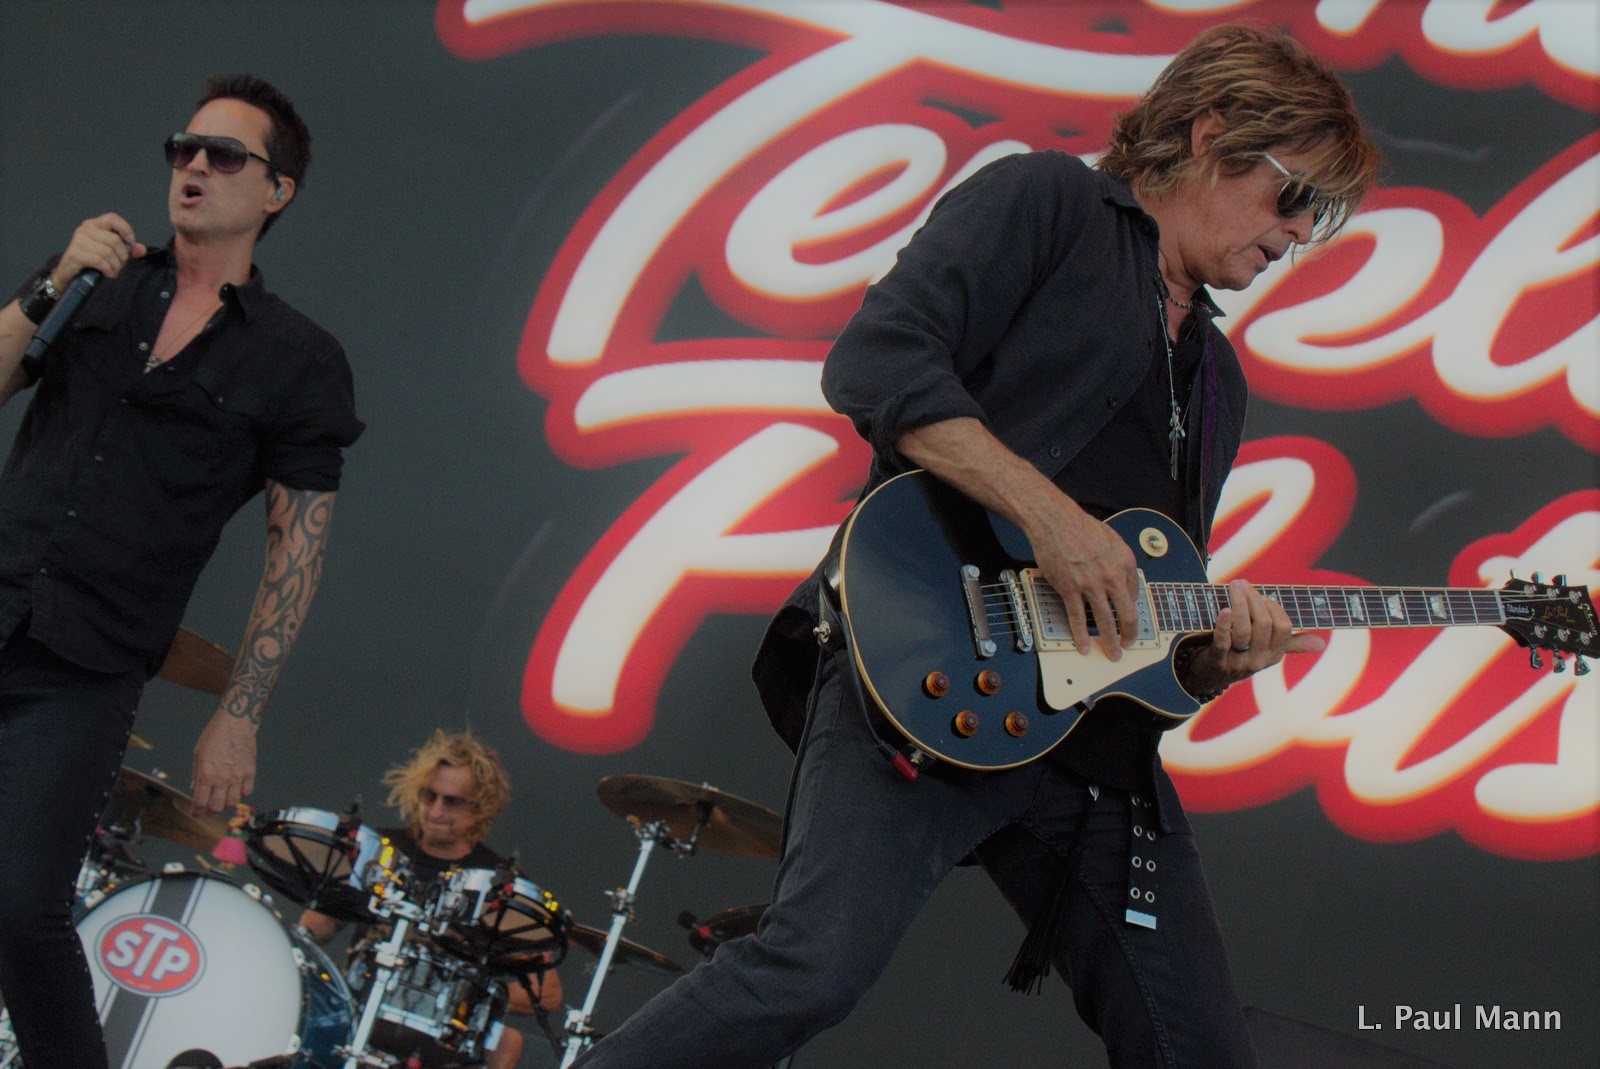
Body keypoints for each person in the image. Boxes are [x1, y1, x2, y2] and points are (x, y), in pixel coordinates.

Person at [571, 24, 1380, 1069]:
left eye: (1322, 218)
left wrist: (1213, 662)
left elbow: (1147, 619)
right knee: (810, 968)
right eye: (1293, 196)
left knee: (1197, 1050)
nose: (1300, 234)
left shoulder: (1219, 380)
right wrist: (1051, 520)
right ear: (1210, 130)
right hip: (920, 663)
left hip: (1086, 749)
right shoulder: (1047, 203)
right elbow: (877, 359)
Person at [0, 75, 362, 1069]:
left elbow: (298, 548)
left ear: (277, 191)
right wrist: (46, 288)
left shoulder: (297, 360)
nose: (194, 166)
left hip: (86, 662)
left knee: (22, 911)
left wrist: (239, 709)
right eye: (183, 148)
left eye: (224, 155)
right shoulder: (96, 281)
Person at [299, 730, 564, 1069]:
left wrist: (471, 998)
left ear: (481, 807)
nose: (436, 810)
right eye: (429, 796)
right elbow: (316, 928)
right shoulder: (380, 850)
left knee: (505, 1042)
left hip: (440, 1044)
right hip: (355, 1012)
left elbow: (547, 993)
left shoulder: (497, 883)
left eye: (451, 801)